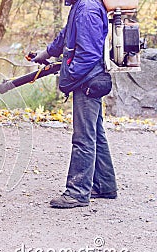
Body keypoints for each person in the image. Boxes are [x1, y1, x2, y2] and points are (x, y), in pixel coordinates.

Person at [32, 0, 117, 208]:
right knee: (95, 133)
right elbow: (66, 35)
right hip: (90, 78)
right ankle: (105, 185)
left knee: (83, 137)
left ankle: (77, 193)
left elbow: (89, 54)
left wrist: (69, 76)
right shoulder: (81, 6)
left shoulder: (86, 9)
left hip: (88, 81)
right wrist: (47, 53)